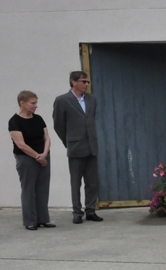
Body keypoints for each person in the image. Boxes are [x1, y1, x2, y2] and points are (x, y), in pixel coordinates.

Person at [53, 71, 103, 224]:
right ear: (74, 82)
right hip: (75, 147)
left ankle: (90, 210)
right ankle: (77, 212)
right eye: (83, 81)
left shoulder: (92, 99)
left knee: (92, 182)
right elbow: (58, 125)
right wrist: (69, 141)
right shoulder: (62, 100)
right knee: (76, 182)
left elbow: (90, 120)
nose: (86, 84)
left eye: (87, 82)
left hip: (91, 146)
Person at [8, 91, 54, 230]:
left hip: (43, 156)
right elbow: (21, 144)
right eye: (33, 103)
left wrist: (44, 154)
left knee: (43, 188)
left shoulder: (38, 119)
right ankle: (30, 221)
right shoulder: (14, 121)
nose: (36, 106)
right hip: (26, 158)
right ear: (22, 103)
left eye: (36, 103)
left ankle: (43, 219)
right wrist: (37, 157)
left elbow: (47, 138)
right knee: (29, 189)